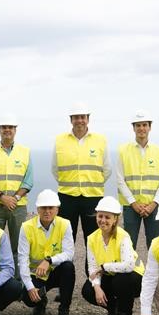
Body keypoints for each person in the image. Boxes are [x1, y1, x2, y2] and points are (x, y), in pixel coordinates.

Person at [52, 102, 111, 255]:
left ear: (88, 119)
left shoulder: (100, 140)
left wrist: (92, 183)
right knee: (65, 239)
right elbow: (55, 169)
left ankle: (92, 277)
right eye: (76, 117)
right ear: (71, 120)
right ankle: (66, 275)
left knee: (93, 239)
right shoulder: (60, 140)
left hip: (92, 197)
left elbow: (107, 169)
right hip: (67, 197)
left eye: (82, 117)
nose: (80, 120)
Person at [81, 196, 144, 315]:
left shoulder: (123, 236)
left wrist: (105, 267)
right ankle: (113, 310)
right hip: (112, 275)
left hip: (134, 278)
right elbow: (92, 267)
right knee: (88, 289)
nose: (103, 220)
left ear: (115, 219)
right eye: (100, 216)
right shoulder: (92, 238)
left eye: (107, 217)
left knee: (121, 279)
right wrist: (97, 287)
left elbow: (128, 266)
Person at [17, 189, 75, 315]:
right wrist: (30, 288)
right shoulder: (26, 227)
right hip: (36, 274)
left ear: (57, 209)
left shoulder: (65, 224)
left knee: (68, 267)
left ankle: (64, 310)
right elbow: (22, 259)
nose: (47, 211)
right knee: (28, 299)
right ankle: (40, 301)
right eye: (43, 208)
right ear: (37, 208)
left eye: (51, 208)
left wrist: (49, 260)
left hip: (56, 272)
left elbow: (69, 253)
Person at [0, 114, 33, 265]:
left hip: (18, 206)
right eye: (4, 127)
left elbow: (28, 181)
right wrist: (3, 198)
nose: (7, 130)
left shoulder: (25, 152)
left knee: (19, 246)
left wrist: (14, 198)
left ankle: (17, 282)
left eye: (10, 127)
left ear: (15, 130)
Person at [116, 109, 159, 253]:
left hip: (152, 207)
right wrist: (133, 202)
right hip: (130, 206)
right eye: (138, 125)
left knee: (155, 246)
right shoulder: (123, 151)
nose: (141, 128)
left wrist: (154, 203)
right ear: (133, 128)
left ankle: (155, 275)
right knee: (128, 245)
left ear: (149, 127)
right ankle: (130, 274)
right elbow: (120, 180)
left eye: (144, 125)